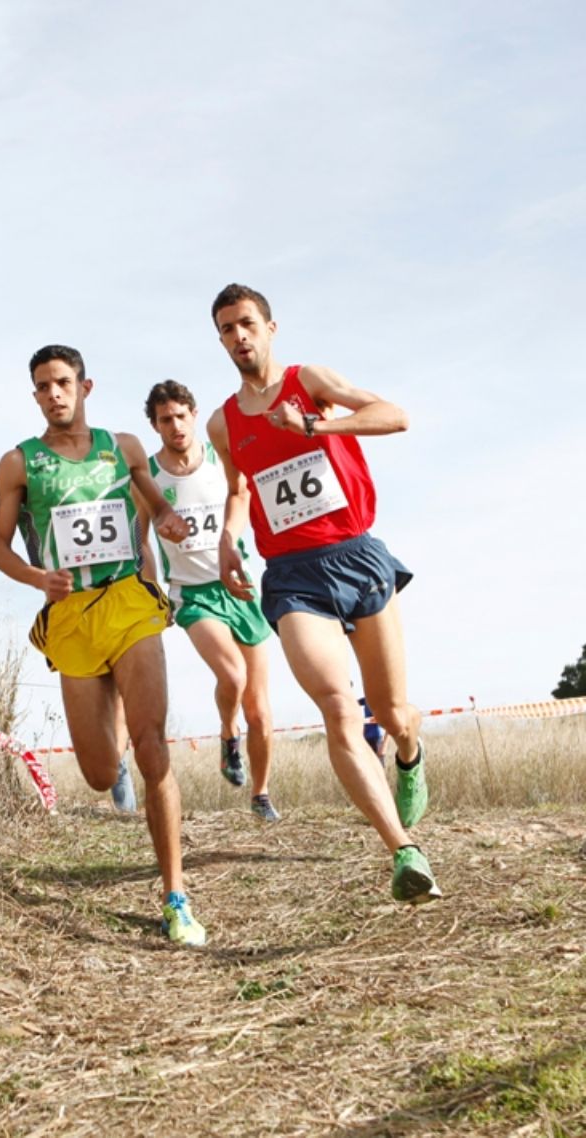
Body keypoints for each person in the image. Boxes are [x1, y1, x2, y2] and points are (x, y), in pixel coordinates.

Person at [206, 284, 440, 905]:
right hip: (292, 575)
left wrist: (313, 422)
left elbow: (396, 415)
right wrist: (230, 540)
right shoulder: (222, 422)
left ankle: (409, 755)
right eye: (227, 329)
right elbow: (238, 489)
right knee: (339, 706)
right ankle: (403, 851)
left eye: (247, 324)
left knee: (392, 714)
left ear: (271, 327)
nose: (239, 337)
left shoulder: (310, 380)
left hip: (358, 555)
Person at [0, 344, 205, 944]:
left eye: (62, 382)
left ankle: (176, 896)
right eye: (41, 386)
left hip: (127, 601)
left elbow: (153, 499)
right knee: (98, 769)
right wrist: (39, 578)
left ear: (85, 386)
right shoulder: (19, 464)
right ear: (35, 396)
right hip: (72, 619)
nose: (53, 393)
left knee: (151, 742)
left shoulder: (124, 446)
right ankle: (112, 743)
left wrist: (164, 518)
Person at [138, 379, 279, 822]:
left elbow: (244, 498)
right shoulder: (148, 475)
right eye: (165, 420)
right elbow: (140, 539)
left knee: (260, 710)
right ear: (155, 425)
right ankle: (226, 732)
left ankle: (260, 794)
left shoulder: (221, 459)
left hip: (238, 585)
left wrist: (229, 541)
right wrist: (152, 589)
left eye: (181, 416)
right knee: (231, 675)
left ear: (194, 415)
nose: (175, 426)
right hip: (191, 594)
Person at [358, 697, 387, 765]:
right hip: (365, 737)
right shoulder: (365, 699)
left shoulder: (381, 700)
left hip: (376, 737)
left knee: (379, 765)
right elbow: (353, 703)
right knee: (367, 765)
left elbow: (383, 718)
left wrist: (364, 720)